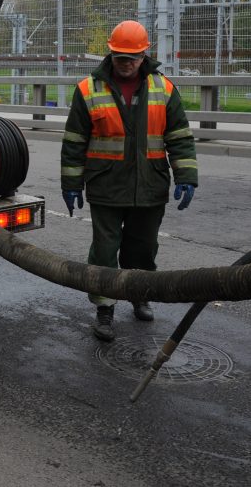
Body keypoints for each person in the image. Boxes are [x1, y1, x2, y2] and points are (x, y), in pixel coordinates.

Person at [60, 20, 198, 342]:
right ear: (111, 53)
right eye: (121, 57)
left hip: (149, 186)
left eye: (133, 57)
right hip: (106, 186)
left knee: (143, 248)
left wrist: (186, 175)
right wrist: (71, 183)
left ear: (144, 54)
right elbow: (74, 142)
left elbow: (179, 137)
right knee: (105, 250)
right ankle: (105, 308)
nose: (126, 63)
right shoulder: (88, 90)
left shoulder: (164, 89)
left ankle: (140, 293)